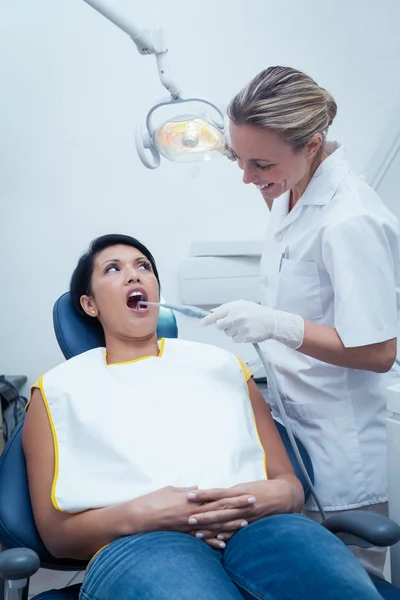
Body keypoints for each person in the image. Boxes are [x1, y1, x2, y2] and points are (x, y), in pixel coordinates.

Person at [22, 234, 383, 600]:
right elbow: (56, 536)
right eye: (113, 269)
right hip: (141, 544)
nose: (135, 276)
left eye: (143, 266)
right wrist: (144, 514)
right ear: (89, 304)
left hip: (259, 529)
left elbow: (288, 485)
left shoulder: (222, 365)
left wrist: (269, 497)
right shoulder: (56, 390)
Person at [202, 65, 400, 576]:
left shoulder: (351, 219)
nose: (247, 177)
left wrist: (277, 325)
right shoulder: (286, 194)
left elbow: (379, 353)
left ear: (312, 145)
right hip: (296, 434)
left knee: (342, 580)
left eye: (260, 162)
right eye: (238, 159)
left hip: (343, 450)